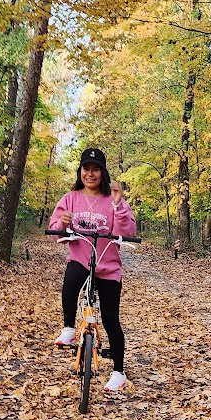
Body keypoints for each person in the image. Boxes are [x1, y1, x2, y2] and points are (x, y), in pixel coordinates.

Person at [48, 147, 137, 392]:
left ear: (103, 173)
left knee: (110, 319)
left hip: (107, 267)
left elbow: (127, 232)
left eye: (96, 169)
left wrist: (119, 206)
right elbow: (55, 229)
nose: (91, 174)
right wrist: (62, 223)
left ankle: (118, 372)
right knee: (70, 282)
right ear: (80, 171)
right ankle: (69, 329)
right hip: (80, 259)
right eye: (86, 168)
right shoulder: (70, 198)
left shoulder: (113, 200)